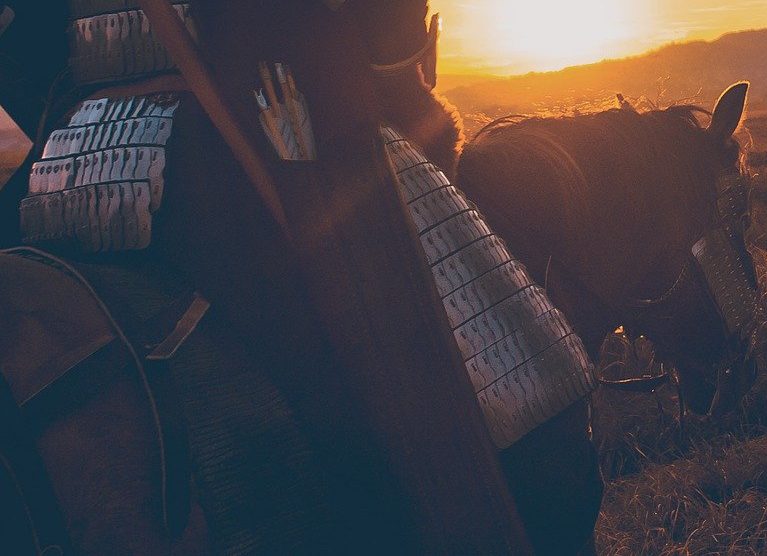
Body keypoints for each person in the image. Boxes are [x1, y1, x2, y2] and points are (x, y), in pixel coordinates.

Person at [0, 1, 578, 552]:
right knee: (476, 391)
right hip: (272, 119)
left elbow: (21, 45)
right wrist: (391, 69)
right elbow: (389, 36)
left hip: (67, 165)